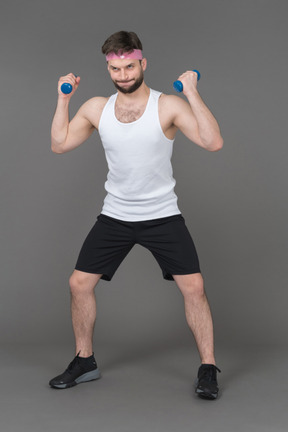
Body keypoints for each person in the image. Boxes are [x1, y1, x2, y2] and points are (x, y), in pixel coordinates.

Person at [49, 30, 223, 400]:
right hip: (115, 215)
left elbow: (213, 142)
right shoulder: (97, 107)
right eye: (116, 69)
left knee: (194, 288)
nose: (124, 75)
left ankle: (208, 368)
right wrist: (63, 100)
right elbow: (60, 144)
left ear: (143, 63)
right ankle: (85, 361)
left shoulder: (169, 106)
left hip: (162, 215)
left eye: (130, 66)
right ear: (108, 68)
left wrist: (191, 91)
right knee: (79, 284)